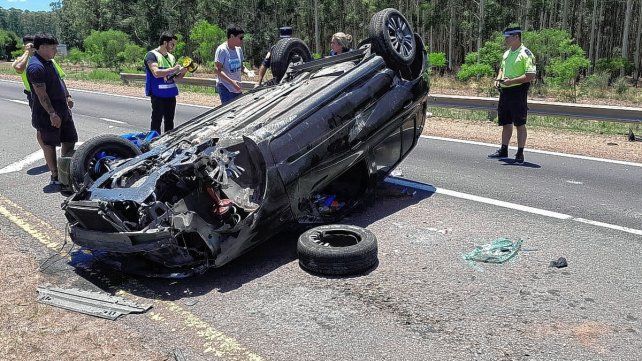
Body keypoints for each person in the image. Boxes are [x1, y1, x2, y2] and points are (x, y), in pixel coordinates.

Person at [26, 33, 77, 186]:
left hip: (62, 110)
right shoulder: (36, 66)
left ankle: (66, 172)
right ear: (42, 47)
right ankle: (55, 176)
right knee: (49, 144)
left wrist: (67, 95)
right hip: (47, 113)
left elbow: (59, 79)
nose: (56, 51)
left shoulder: (49, 62)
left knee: (70, 139)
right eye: (53, 48)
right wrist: (52, 114)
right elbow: (41, 95)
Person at [488, 26, 536, 164]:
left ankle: (520, 153)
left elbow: (530, 75)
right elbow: (502, 68)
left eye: (507, 37)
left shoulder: (526, 53)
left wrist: (512, 81)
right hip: (505, 91)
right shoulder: (507, 53)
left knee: (519, 123)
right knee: (505, 122)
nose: (505, 40)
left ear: (516, 37)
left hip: (518, 91)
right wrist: (498, 79)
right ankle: (504, 149)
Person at [144, 31, 187, 134]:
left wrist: (183, 71)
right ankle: (154, 143)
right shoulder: (151, 55)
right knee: (156, 121)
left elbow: (176, 78)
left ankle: (169, 144)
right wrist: (173, 69)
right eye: (172, 44)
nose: (173, 47)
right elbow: (156, 73)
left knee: (169, 122)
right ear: (165, 43)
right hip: (158, 95)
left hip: (170, 95)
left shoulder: (171, 57)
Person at [12, 34, 66, 108]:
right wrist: (27, 52)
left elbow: (60, 78)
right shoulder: (21, 60)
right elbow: (19, 68)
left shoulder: (48, 59)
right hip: (34, 95)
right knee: (42, 118)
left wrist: (67, 95)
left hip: (51, 93)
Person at [215, 24, 254, 105]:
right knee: (229, 113)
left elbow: (242, 66)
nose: (242, 40)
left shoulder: (238, 49)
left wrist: (248, 72)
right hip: (226, 87)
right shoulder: (222, 50)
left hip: (237, 87)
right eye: (240, 38)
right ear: (232, 36)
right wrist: (232, 82)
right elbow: (218, 70)